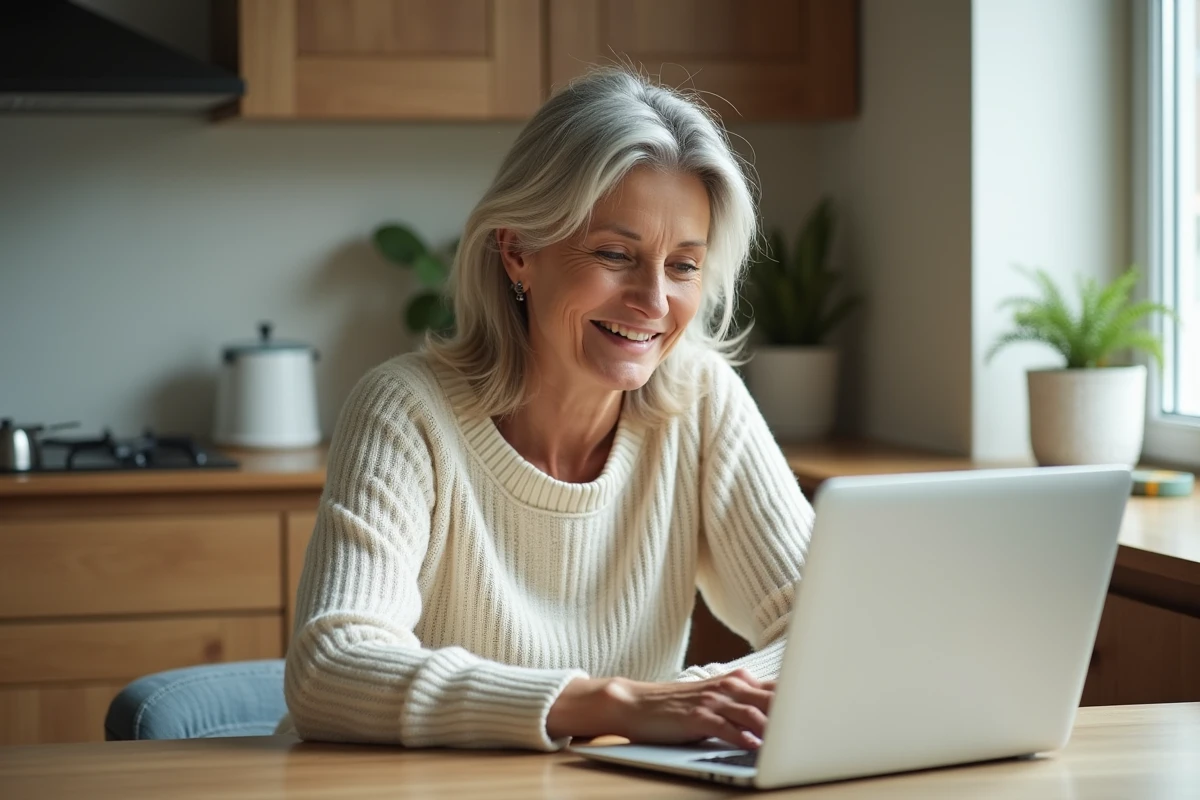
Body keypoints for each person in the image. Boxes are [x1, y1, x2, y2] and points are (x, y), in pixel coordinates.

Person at [280, 68, 815, 752]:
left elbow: (826, 626)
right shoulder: (407, 412)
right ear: (517, 252)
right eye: (616, 254)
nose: (654, 302)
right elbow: (330, 670)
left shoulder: (702, 400)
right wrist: (618, 704)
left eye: (683, 266)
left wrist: (707, 701)